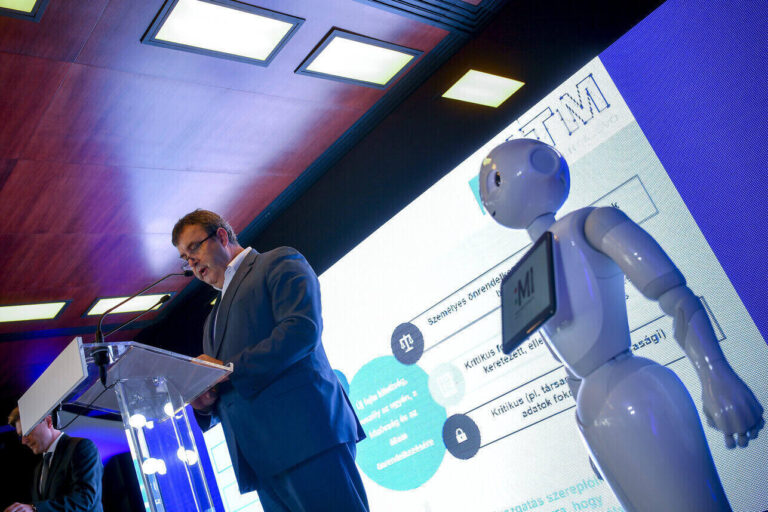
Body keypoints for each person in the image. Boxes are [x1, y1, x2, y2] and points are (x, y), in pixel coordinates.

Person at [172, 209, 369, 512]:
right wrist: (206, 401)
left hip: (306, 440)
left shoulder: (277, 262)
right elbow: (228, 385)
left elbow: (302, 330)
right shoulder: (211, 320)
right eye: (185, 258)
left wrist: (227, 370)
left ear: (222, 236)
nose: (192, 262)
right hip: (261, 462)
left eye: (194, 248)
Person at [5, 407, 103, 512]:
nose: (24, 441)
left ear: (48, 421)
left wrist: (34, 508)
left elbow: (85, 499)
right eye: (21, 436)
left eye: (27, 433)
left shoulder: (81, 447)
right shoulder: (39, 468)